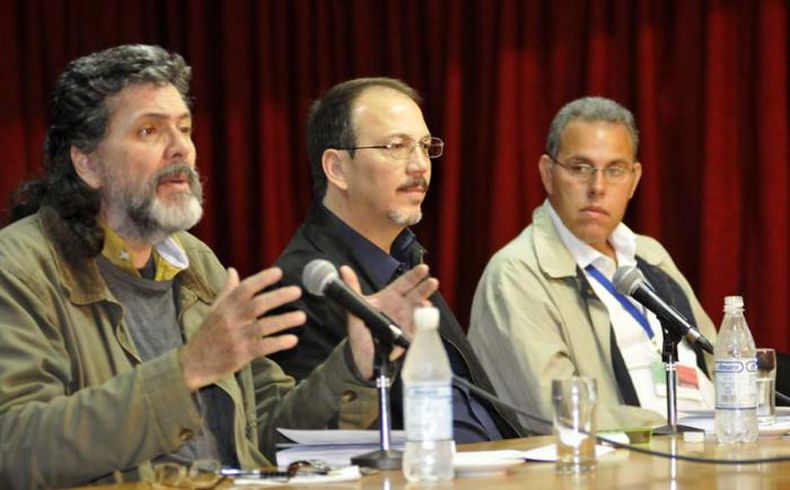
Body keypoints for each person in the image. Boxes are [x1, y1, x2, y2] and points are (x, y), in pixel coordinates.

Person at [0, 45, 436, 489]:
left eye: (184, 129)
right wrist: (186, 370)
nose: (180, 149)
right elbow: (15, 449)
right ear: (88, 163)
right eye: (149, 131)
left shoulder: (195, 263)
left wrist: (354, 365)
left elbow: (270, 431)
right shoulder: (19, 270)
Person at [270, 77, 524, 441]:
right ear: (337, 168)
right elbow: (321, 441)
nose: (420, 165)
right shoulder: (305, 283)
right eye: (396, 146)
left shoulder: (404, 259)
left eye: (424, 146)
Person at [468, 96, 717, 433]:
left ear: (634, 180)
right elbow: (559, 411)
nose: (597, 187)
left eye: (615, 170)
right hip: (631, 457)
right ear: (548, 174)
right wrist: (670, 431)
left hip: (714, 444)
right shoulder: (516, 273)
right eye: (580, 168)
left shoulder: (651, 255)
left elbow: (719, 360)